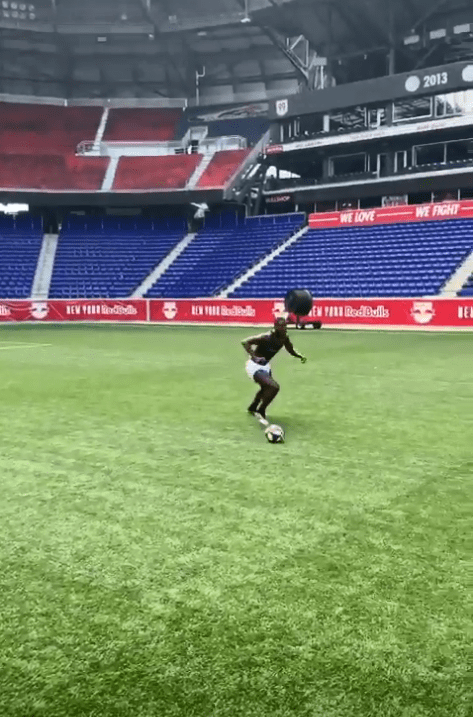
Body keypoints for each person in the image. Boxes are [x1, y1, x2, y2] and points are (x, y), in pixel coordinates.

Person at [241, 316, 307, 420]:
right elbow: (245, 342)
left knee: (265, 388)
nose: (283, 328)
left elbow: (290, 349)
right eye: (280, 326)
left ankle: (253, 407)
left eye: (284, 326)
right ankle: (261, 410)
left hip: (265, 365)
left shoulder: (284, 337)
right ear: (275, 326)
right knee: (274, 387)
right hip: (254, 366)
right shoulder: (266, 337)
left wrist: (299, 356)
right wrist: (255, 357)